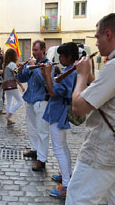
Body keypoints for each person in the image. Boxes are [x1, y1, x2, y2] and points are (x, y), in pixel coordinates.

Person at [66, 13, 115, 204]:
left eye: (97, 37)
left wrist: (81, 75)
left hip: (104, 150)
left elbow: (79, 107)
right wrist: (90, 79)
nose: (96, 43)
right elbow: (112, 95)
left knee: (77, 198)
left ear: (108, 34)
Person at [41, 42, 80, 198]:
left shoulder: (70, 73)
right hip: (58, 111)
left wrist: (48, 74)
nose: (59, 59)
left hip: (59, 112)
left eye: (61, 56)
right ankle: (67, 175)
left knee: (58, 148)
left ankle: (66, 185)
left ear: (68, 57)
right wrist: (46, 74)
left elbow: (52, 92)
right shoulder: (70, 70)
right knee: (62, 147)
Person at [16, 40, 52, 170]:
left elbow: (44, 81)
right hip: (30, 99)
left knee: (42, 131)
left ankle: (41, 159)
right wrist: (20, 70)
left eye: (36, 50)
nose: (34, 53)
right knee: (31, 128)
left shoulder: (48, 64)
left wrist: (33, 67)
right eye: (33, 50)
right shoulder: (33, 64)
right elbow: (21, 79)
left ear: (43, 50)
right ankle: (34, 149)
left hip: (41, 100)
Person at [3, 48, 25, 126]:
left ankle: (8, 120)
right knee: (20, 101)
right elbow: (16, 75)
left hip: (6, 85)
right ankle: (9, 114)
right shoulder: (12, 64)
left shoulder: (5, 65)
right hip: (11, 85)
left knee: (9, 102)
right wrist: (21, 86)